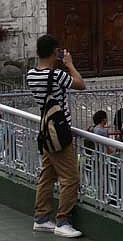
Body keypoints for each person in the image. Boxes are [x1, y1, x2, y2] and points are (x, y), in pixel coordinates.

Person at [27, 34, 85, 238]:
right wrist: (69, 64)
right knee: (70, 177)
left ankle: (41, 217)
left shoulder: (31, 75)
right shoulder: (57, 75)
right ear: (55, 52)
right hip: (60, 132)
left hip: (45, 130)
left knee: (48, 174)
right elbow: (80, 83)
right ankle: (63, 220)